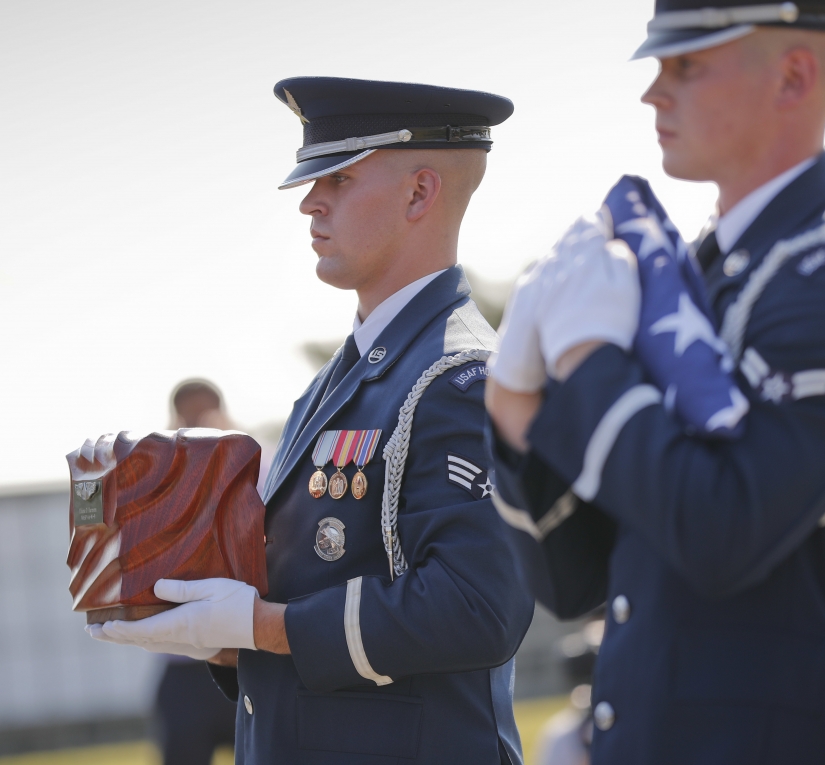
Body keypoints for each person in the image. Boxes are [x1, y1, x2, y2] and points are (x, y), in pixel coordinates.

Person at [485, 2, 825, 764]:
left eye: (686, 64)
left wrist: (587, 357)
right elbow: (574, 579)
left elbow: (718, 531)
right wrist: (511, 401)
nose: (652, 91)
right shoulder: (697, 275)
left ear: (793, 77)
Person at [89, 78, 534, 765]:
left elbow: (479, 608)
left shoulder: (458, 377)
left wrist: (263, 626)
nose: (309, 201)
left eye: (341, 177)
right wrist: (213, 630)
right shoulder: (343, 380)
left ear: (420, 193)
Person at [153, 379, 239, 765]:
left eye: (204, 417)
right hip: (184, 664)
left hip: (246, 653)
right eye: (187, 419)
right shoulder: (154, 479)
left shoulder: (257, 463)